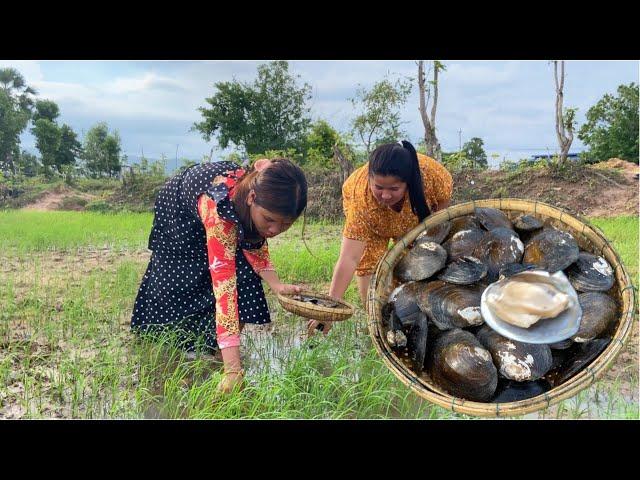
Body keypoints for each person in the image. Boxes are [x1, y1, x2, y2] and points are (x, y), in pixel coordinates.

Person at [131, 158, 307, 393]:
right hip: (179, 214)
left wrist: (276, 285)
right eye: (269, 220)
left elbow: (254, 243)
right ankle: (182, 352)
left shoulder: (255, 205)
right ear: (252, 198)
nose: (275, 230)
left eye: (285, 225)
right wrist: (234, 370)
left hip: (224, 210)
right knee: (180, 281)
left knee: (246, 278)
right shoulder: (218, 209)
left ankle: (216, 353)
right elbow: (224, 287)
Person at [308, 140, 453, 336]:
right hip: (372, 222)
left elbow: (441, 210)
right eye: (379, 187)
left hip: (411, 216)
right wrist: (328, 308)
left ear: (408, 183)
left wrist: (430, 236)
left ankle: (413, 315)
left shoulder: (433, 176)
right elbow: (349, 258)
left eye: (393, 189)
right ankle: (376, 322)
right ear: (369, 179)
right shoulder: (361, 199)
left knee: (416, 262)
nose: (385, 195)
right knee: (370, 265)